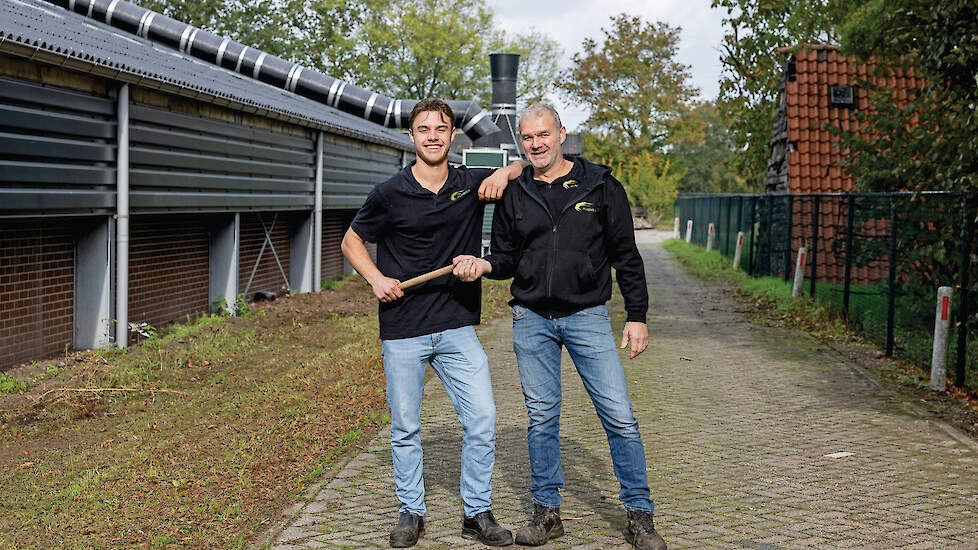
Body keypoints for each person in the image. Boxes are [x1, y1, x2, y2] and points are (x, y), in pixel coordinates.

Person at [452, 103, 667, 550]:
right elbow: (508, 257)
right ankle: (547, 513)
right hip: (531, 320)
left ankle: (640, 515)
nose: (536, 143)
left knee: (620, 417)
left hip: (587, 318)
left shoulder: (602, 186)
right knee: (541, 419)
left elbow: (627, 255)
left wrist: (637, 316)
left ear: (562, 134)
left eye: (543, 135)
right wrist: (483, 264)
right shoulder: (516, 192)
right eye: (528, 138)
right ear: (522, 142)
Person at [342, 98, 524, 548]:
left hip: (456, 324)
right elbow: (351, 241)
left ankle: (477, 512)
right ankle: (412, 511)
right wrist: (377, 278)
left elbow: (524, 165)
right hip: (403, 327)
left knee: (481, 418)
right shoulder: (389, 193)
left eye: (441, 128)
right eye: (423, 129)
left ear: (452, 135)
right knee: (405, 427)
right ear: (411, 136)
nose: (432, 135)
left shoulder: (470, 182)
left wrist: (503, 172)